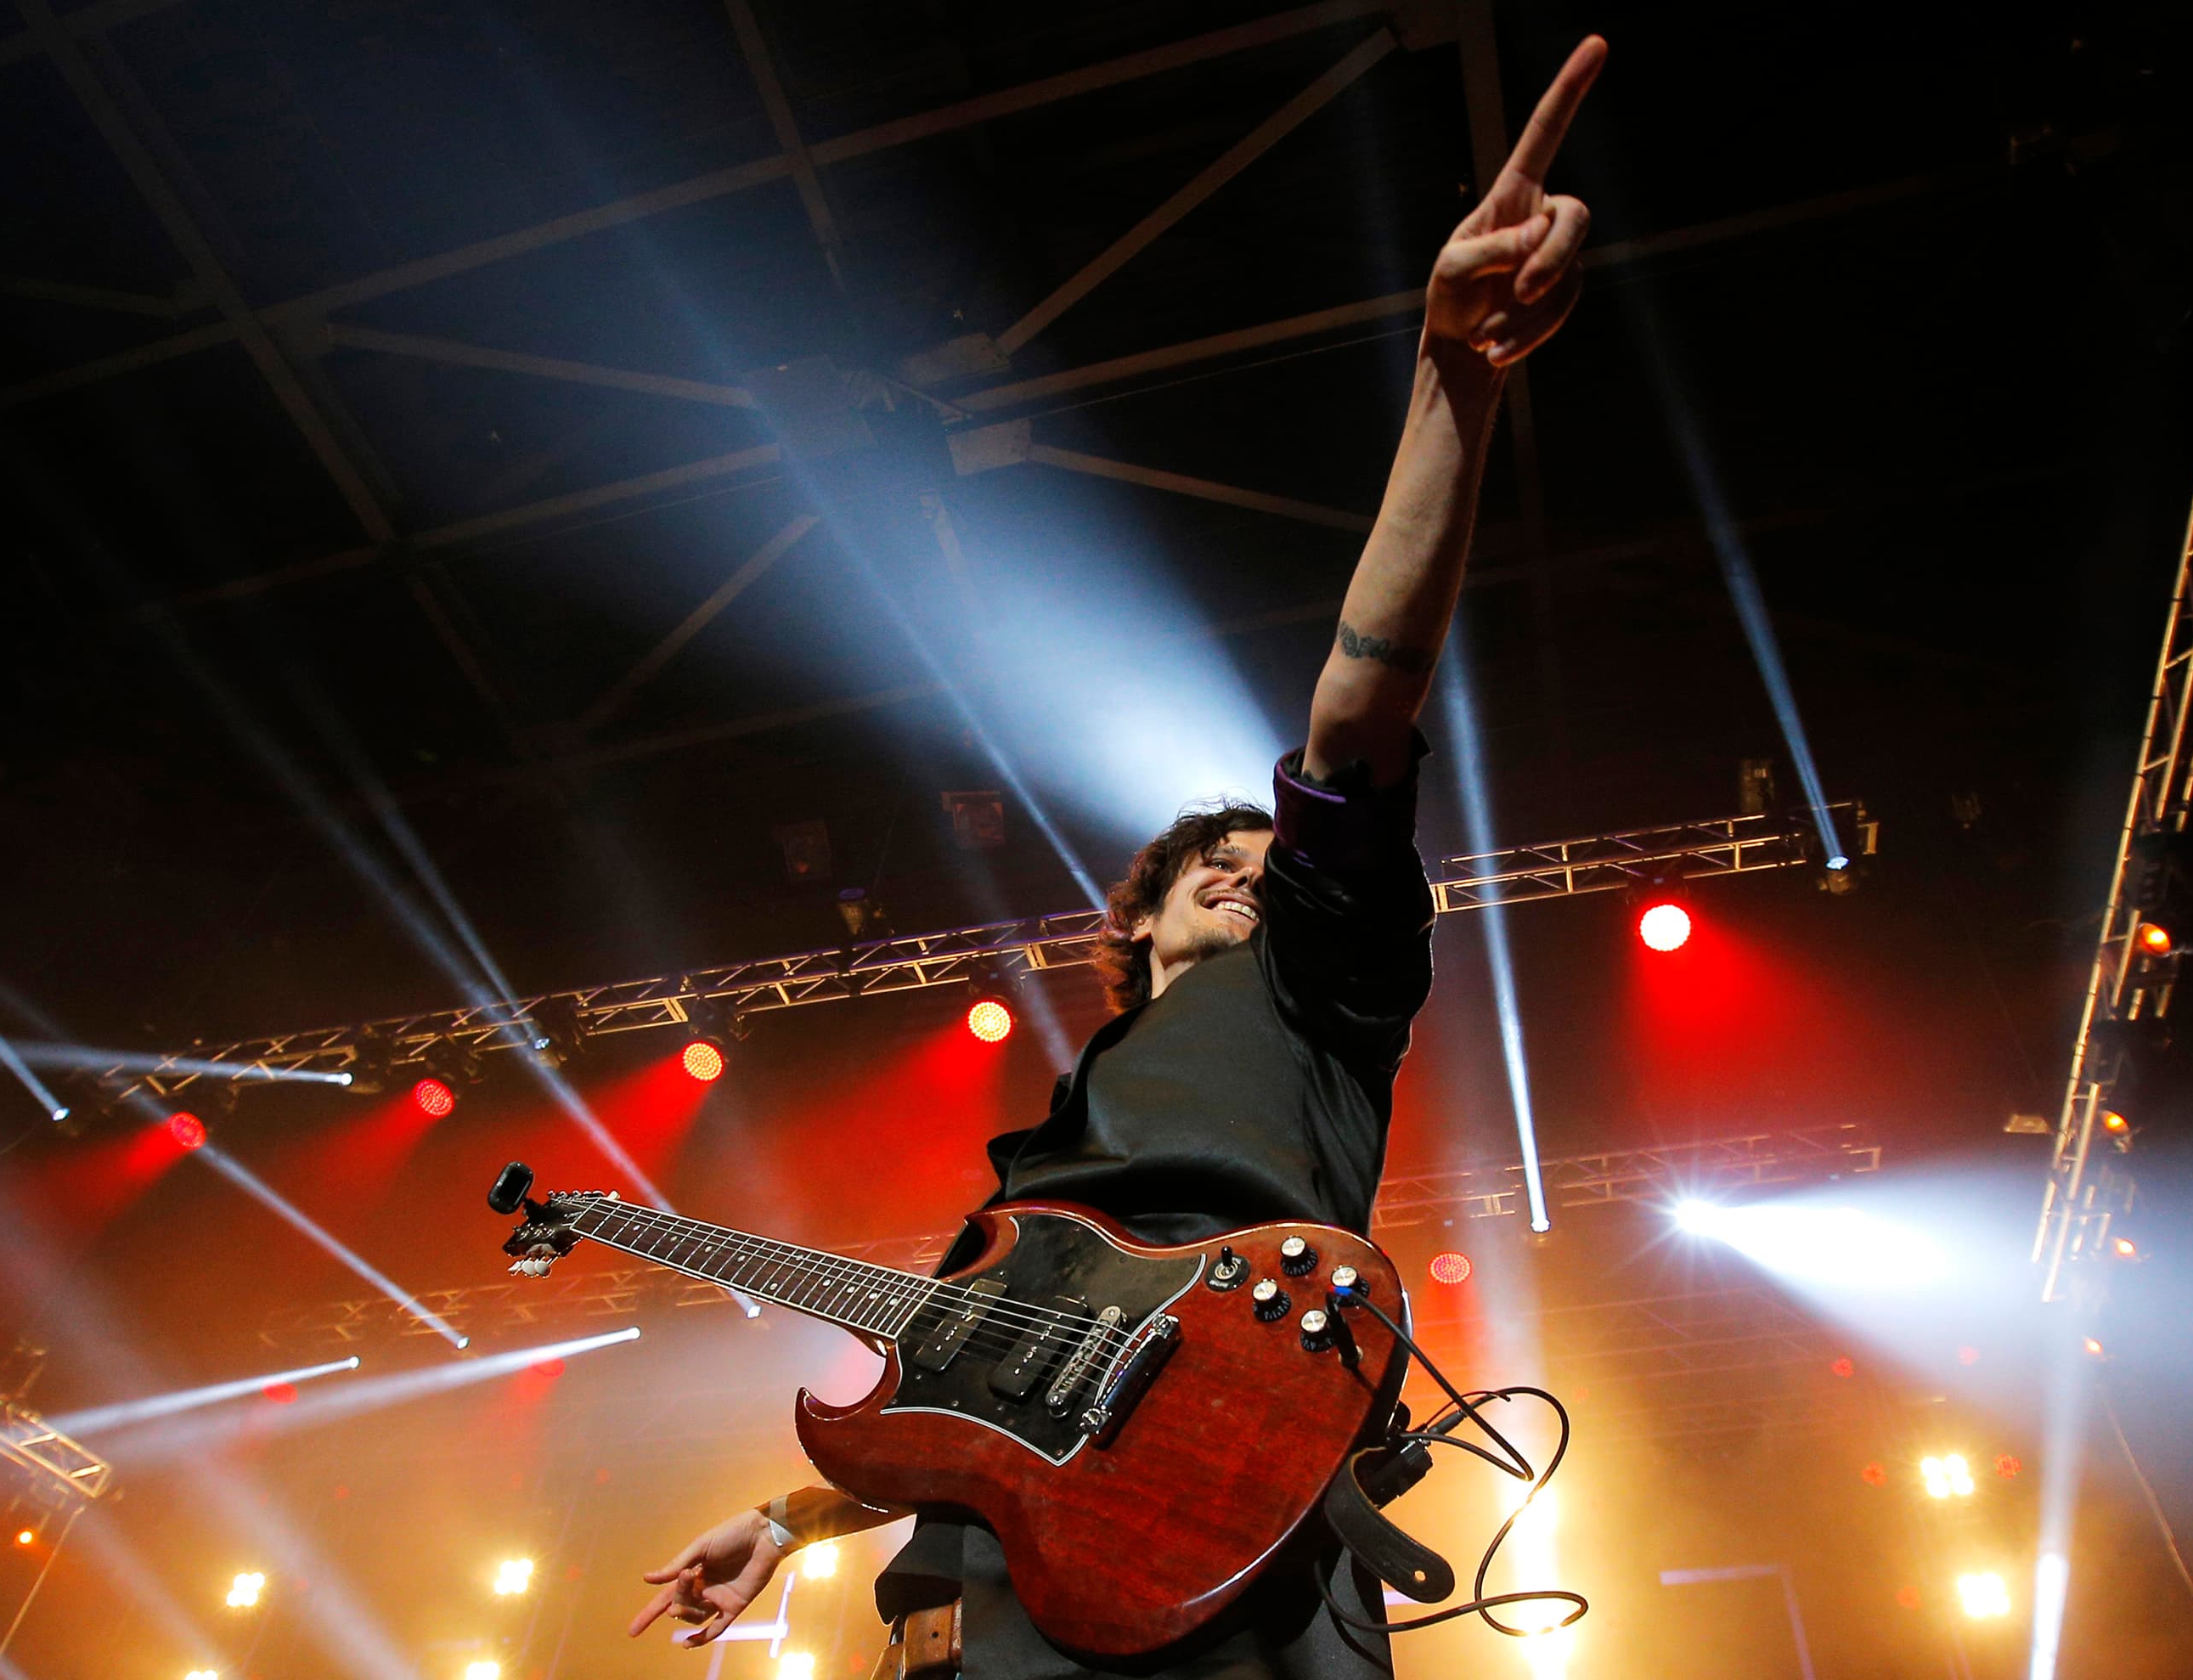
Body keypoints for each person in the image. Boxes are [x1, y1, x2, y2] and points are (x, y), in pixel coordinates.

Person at [626, 35, 1609, 1680]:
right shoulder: (1042, 1182)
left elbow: (1364, 699)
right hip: (977, 1599)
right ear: (1138, 914)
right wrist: (790, 1519)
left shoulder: (1320, 997)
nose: (1250, 865)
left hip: (1222, 1550)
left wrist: (1457, 375)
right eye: (1211, 858)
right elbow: (971, 1405)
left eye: (1267, 853)